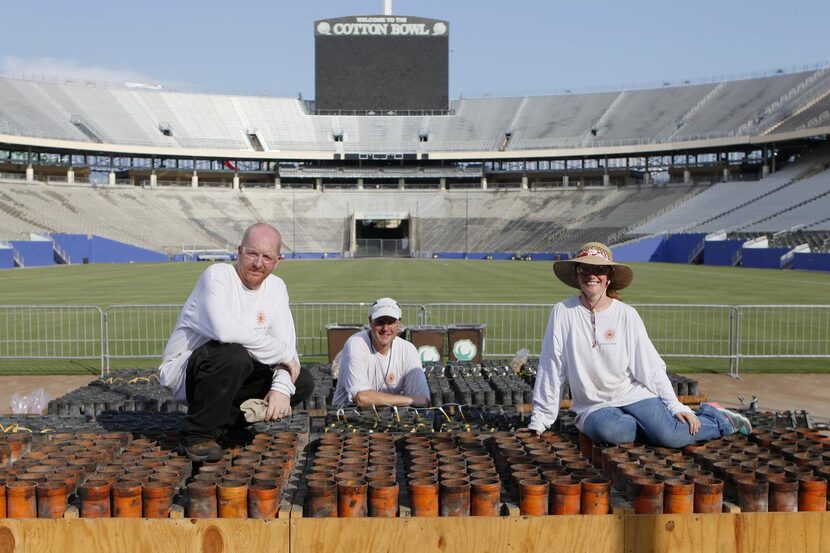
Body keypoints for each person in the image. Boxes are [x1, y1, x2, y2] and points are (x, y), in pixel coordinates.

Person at [528, 242, 750, 448]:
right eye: (584, 268)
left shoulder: (626, 315)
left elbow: (650, 366)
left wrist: (674, 405)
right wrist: (540, 419)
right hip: (593, 406)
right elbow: (551, 366)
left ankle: (717, 418)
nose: (591, 275)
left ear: (609, 276)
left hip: (632, 393)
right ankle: (656, 429)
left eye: (599, 269)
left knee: (670, 436)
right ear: (577, 274)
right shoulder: (563, 312)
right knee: (612, 432)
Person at [159, 223, 314, 462]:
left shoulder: (276, 287)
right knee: (233, 355)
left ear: (277, 261)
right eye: (252, 253)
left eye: (267, 257)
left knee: (301, 381)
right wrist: (283, 355)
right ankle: (197, 435)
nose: (258, 263)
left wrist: (281, 388)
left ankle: (226, 428)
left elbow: (286, 342)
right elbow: (225, 331)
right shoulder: (218, 275)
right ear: (239, 251)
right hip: (188, 373)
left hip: (235, 371)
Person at [332, 298, 430, 408]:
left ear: (398, 324)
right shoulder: (356, 344)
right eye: (380, 322)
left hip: (386, 419)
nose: (385, 328)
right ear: (370, 322)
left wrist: (414, 401)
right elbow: (362, 398)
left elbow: (423, 399)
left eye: (390, 322)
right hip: (346, 416)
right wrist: (410, 400)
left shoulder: (408, 350)